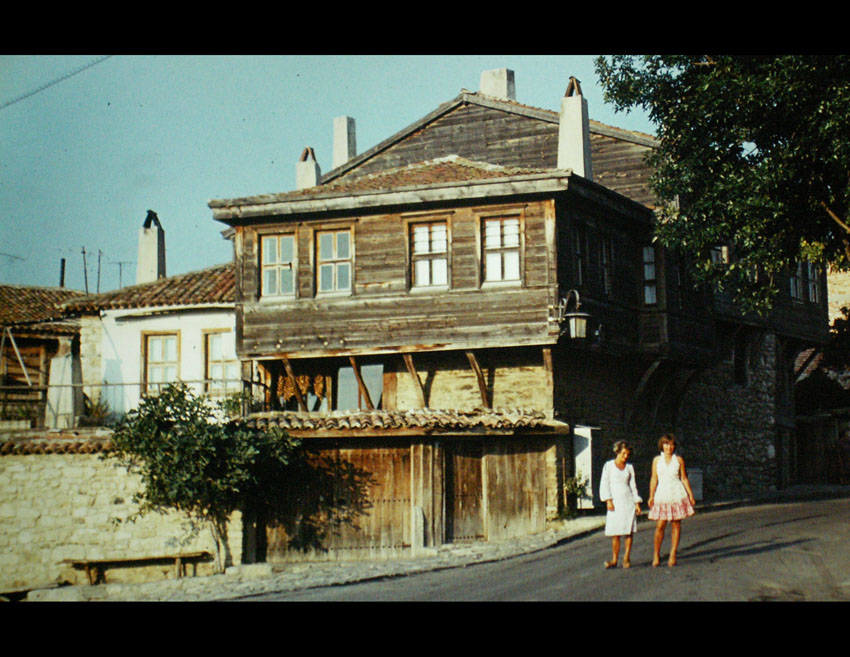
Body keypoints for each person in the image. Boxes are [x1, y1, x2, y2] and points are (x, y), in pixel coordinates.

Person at [648, 433, 696, 567]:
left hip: (676, 493)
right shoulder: (657, 460)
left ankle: (673, 553)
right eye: (666, 444)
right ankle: (656, 554)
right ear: (662, 445)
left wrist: (690, 494)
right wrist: (651, 495)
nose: (669, 447)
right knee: (660, 525)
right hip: (662, 493)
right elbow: (654, 478)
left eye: (671, 444)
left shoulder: (679, 460)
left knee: (676, 524)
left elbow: (684, 478)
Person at [599, 441, 642, 569]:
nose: (625, 456)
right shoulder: (609, 466)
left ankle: (626, 557)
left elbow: (633, 486)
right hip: (615, 502)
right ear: (617, 452)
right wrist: (608, 500)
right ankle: (614, 559)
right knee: (615, 532)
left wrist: (637, 502)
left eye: (627, 454)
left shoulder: (629, 468)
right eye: (623, 453)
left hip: (628, 501)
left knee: (628, 531)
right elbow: (604, 483)